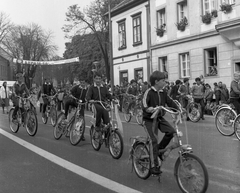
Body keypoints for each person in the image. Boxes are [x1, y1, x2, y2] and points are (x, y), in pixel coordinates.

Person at [142, 71, 179, 175]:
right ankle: (154, 166)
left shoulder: (163, 92)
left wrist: (179, 109)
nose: (165, 82)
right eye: (163, 80)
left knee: (171, 132)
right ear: (156, 81)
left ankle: (159, 150)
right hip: (149, 119)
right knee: (153, 139)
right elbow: (144, 104)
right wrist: (149, 109)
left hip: (159, 118)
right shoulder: (148, 92)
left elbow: (171, 102)